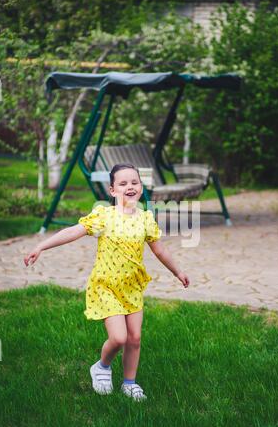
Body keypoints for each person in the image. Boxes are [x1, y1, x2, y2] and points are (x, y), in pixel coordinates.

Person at [24, 163, 190, 402]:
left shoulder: (145, 219)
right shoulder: (104, 216)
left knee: (134, 338)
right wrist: (41, 246)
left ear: (141, 187)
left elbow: (160, 250)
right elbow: (73, 231)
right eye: (123, 184)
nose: (129, 187)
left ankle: (129, 383)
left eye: (134, 182)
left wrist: (178, 271)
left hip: (132, 286)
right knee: (119, 338)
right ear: (112, 191)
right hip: (106, 286)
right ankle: (102, 367)